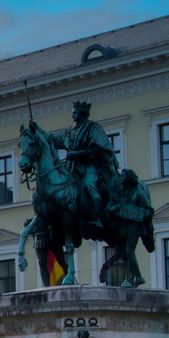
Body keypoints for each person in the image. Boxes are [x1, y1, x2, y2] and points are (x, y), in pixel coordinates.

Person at [49, 100, 119, 238]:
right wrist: (37, 130)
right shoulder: (70, 132)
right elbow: (54, 139)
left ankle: (100, 219)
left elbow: (98, 151)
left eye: (74, 112)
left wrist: (77, 154)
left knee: (89, 187)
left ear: (81, 113)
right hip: (73, 168)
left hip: (91, 166)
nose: (72, 115)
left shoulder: (93, 129)